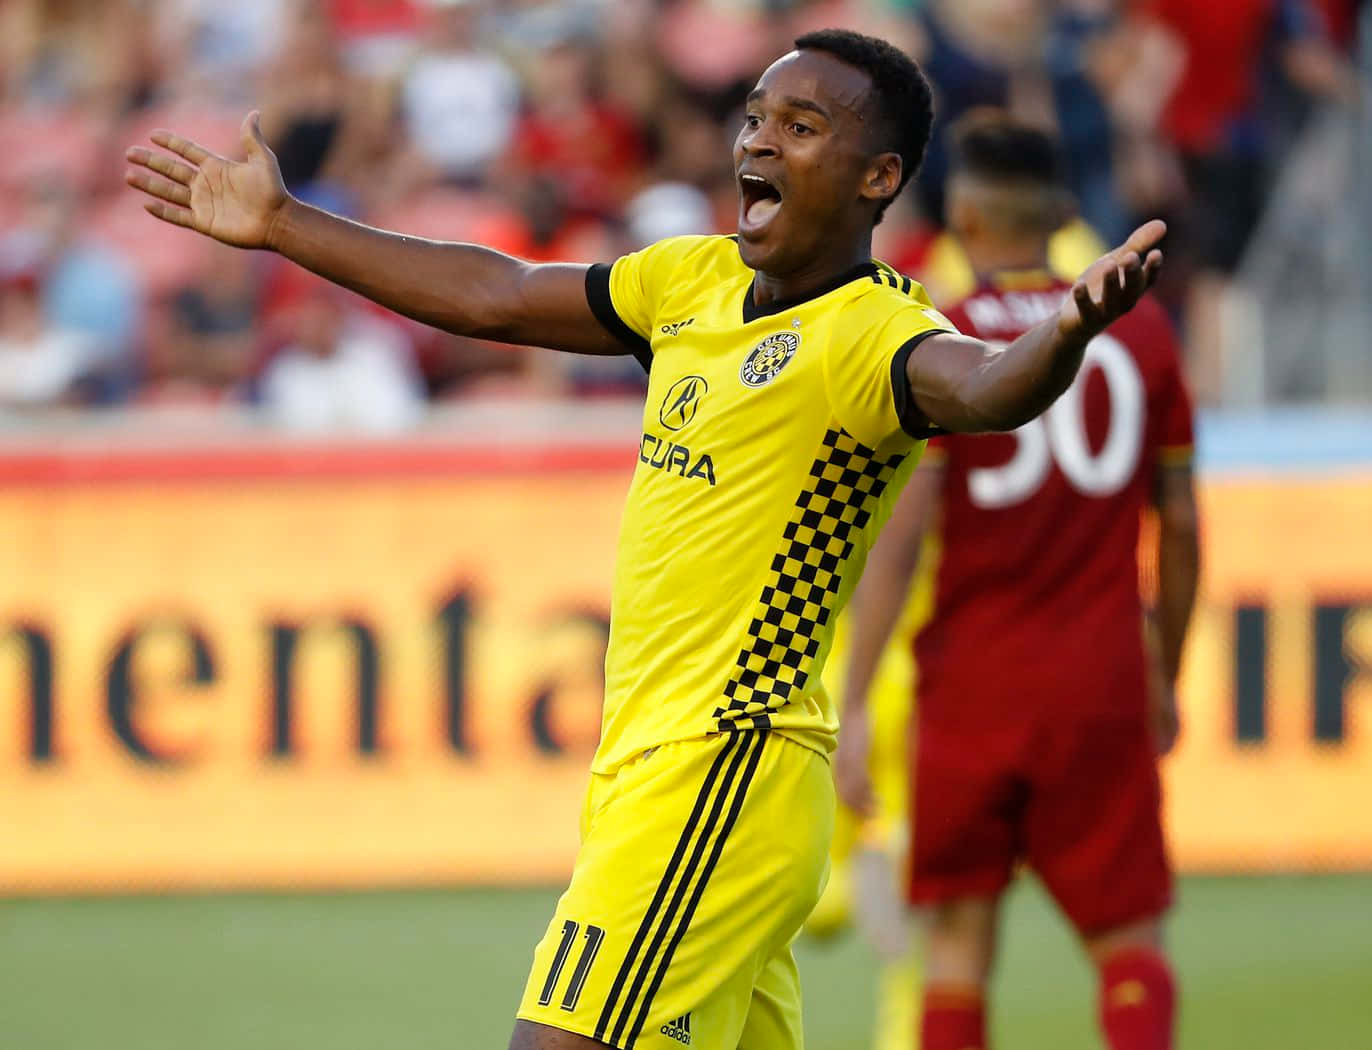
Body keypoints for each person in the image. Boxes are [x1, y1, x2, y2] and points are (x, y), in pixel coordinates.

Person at [125, 29, 1167, 1050]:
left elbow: (982, 387)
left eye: (801, 126)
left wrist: (1063, 334)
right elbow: (497, 295)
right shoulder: (688, 283)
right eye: (755, 117)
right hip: (648, 769)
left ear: (876, 177)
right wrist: (285, 223)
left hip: (727, 764)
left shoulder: (876, 332)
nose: (759, 140)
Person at [836, 113, 1200, 1050]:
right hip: (1100, 673)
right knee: (1130, 943)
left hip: (972, 682)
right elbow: (1182, 524)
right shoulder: (1144, 332)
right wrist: (1165, 667)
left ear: (962, 218)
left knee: (955, 947)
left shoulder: (941, 337)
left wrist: (859, 696)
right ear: (1063, 215)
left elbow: (900, 539)